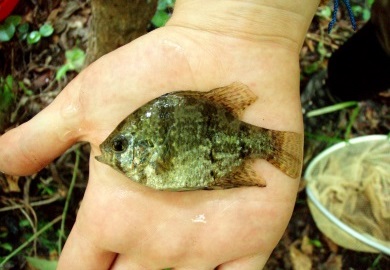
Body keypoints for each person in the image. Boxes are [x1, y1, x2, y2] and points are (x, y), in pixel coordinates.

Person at [0, 0, 320, 269]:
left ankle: (274, 143)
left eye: (122, 145)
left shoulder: (152, 158)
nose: (113, 151)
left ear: (142, 146)